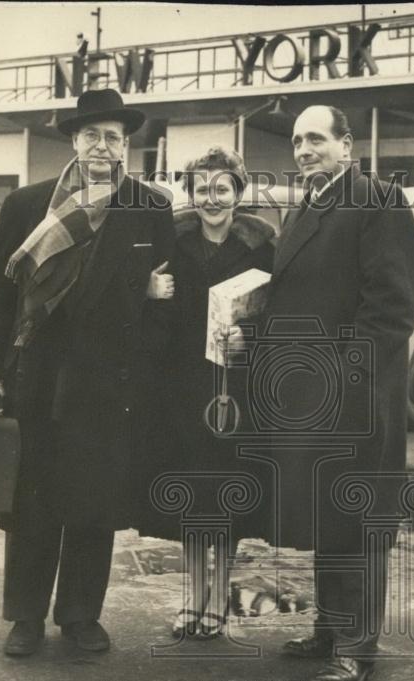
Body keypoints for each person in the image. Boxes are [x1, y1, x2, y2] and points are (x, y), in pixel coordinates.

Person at [0, 88, 175, 657]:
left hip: (107, 385)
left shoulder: (150, 208)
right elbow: (0, 298)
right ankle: (26, 618)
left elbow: (165, 309)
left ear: (126, 145)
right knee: (32, 504)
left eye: (113, 137)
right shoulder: (25, 206)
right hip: (34, 377)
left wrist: (141, 373)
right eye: (91, 135)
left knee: (93, 503)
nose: (101, 146)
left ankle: (82, 615)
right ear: (73, 140)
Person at [231, 105, 414, 681]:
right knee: (328, 519)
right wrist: (251, 331)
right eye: (296, 141)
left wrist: (340, 378)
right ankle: (328, 632)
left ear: (346, 144)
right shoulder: (308, 204)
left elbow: (391, 309)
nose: (303, 150)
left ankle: (355, 651)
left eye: (315, 138)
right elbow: (296, 302)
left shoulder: (377, 200)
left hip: (354, 398)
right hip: (307, 398)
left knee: (360, 525)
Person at [140, 146, 275, 641]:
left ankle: (219, 596)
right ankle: (192, 596)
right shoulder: (173, 241)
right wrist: (148, 290)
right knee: (192, 494)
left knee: (228, 493)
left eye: (222, 188)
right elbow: (150, 310)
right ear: (190, 193)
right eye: (202, 189)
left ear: (238, 192)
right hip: (182, 386)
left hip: (236, 387)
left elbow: (278, 312)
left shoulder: (263, 244)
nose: (211, 198)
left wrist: (250, 339)